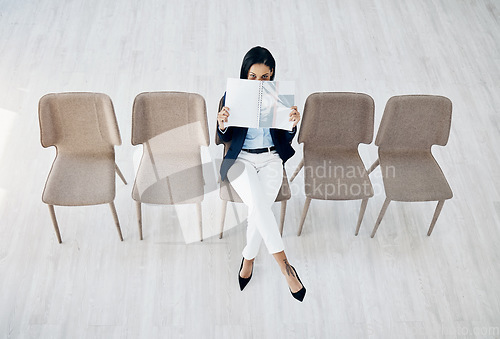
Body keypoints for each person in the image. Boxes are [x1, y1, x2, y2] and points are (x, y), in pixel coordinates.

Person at [217, 46, 306, 302]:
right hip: (240, 160)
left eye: (265, 77)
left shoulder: (278, 97)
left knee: (259, 210)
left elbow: (286, 137)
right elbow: (224, 136)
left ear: (272, 75)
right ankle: (286, 269)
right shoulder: (231, 95)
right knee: (259, 205)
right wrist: (222, 123)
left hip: (271, 159)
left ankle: (248, 258)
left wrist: (292, 124)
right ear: (245, 75)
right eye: (253, 77)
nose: (258, 82)